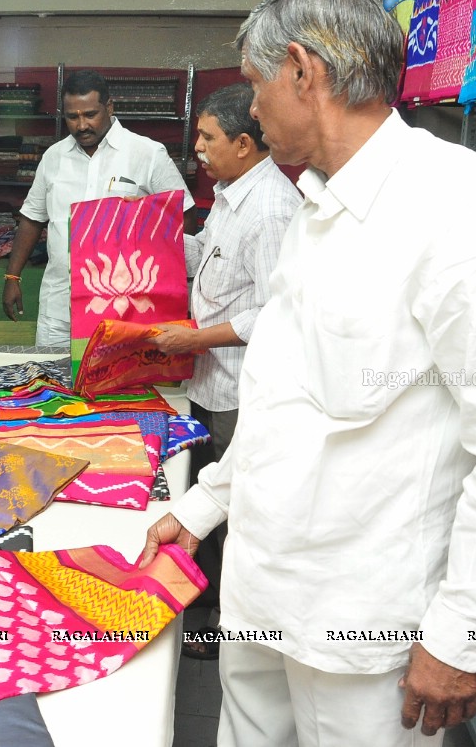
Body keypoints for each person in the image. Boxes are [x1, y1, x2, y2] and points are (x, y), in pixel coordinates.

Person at [140, 0, 476, 746]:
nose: (253, 109)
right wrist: (201, 507)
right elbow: (283, 400)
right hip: (263, 598)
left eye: (253, 84)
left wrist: (461, 633)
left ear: (301, 72)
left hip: (363, 633)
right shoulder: (316, 206)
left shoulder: (454, 203)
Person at [149, 83, 300, 660]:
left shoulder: (270, 210)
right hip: (211, 380)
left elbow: (274, 312)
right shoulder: (234, 193)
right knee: (206, 494)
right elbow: (206, 257)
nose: (199, 151)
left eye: (208, 139)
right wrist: (145, 230)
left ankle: (229, 624)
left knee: (236, 506)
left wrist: (196, 336)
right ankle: (203, 608)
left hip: (240, 384)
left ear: (244, 142)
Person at [2, 69, 196, 347]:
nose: (81, 125)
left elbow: (182, 215)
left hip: (124, 306)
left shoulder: (146, 153)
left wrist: (162, 279)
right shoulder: (54, 157)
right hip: (60, 303)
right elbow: (32, 219)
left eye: (90, 114)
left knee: (116, 385)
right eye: (72, 117)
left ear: (109, 107)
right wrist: (12, 276)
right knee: (55, 382)